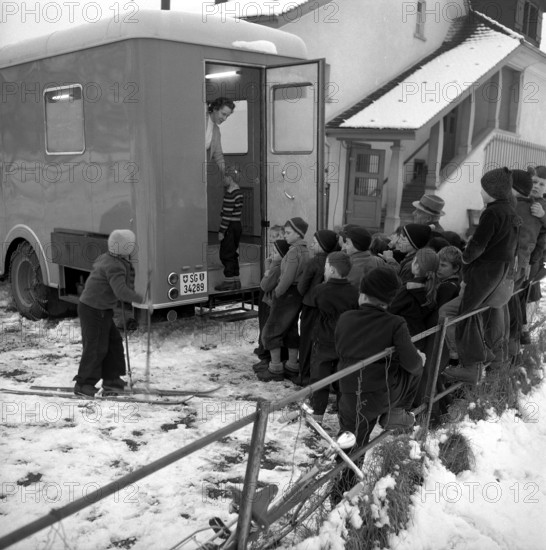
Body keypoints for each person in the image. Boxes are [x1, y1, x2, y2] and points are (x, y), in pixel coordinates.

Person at [333, 267, 423, 497]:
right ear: (390, 299)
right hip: (382, 394)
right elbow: (412, 364)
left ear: (362, 293)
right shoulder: (395, 323)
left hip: (349, 391)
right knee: (416, 366)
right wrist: (419, 358)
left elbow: (339, 348)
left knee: (351, 442)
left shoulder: (345, 318)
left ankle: (340, 492)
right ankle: (398, 411)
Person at [444, 168, 520, 384]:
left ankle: (472, 367)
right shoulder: (511, 212)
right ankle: (483, 355)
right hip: (501, 270)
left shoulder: (492, 212)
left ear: (492, 190)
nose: (480, 192)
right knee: (473, 312)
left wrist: (465, 257)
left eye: (483, 188)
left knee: (465, 313)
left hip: (485, 270)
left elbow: (478, 244)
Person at [73, 230, 144, 396]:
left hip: (101, 309)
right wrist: (142, 299)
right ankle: (83, 385)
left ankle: (112, 380)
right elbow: (120, 291)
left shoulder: (110, 258)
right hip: (93, 309)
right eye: (131, 244)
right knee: (96, 347)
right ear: (124, 247)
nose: (133, 247)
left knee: (113, 342)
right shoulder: (114, 265)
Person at [307, 252, 359, 423]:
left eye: (325, 268)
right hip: (346, 341)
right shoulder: (354, 292)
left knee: (319, 378)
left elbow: (311, 302)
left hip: (323, 341)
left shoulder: (321, 290)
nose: (324, 271)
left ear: (332, 269)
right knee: (343, 380)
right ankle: (343, 417)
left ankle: (317, 415)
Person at [258, 217, 309, 382]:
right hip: (297, 295)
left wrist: (278, 292)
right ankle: (292, 365)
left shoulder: (293, 251)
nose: (285, 236)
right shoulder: (306, 250)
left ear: (298, 234)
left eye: (288, 233)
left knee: (271, 331)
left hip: (286, 294)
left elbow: (287, 277)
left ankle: (275, 368)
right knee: (291, 330)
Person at [297, 229, 340, 386]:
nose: (311, 245)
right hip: (326, 307)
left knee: (306, 341)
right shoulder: (334, 261)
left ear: (322, 246)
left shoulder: (314, 262)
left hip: (310, 306)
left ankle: (304, 375)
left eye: (314, 242)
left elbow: (302, 287)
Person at [387, 247, 439, 347]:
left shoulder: (407, 290)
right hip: (418, 337)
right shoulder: (431, 290)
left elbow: (390, 310)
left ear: (416, 265)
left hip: (401, 338)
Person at [253, 225, 286, 367]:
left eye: (276, 237)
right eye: (271, 237)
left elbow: (269, 277)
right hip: (267, 292)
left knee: (267, 322)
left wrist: (268, 270)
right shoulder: (275, 254)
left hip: (270, 294)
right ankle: (262, 345)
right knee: (263, 320)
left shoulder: (281, 255)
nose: (272, 240)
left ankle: (267, 352)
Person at [215, 166, 244, 291]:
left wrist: (222, 231)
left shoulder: (230, 194)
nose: (224, 179)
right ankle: (236, 280)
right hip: (237, 225)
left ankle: (228, 281)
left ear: (230, 178)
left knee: (226, 254)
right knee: (233, 253)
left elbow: (226, 215)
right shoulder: (239, 192)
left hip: (229, 227)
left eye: (225, 177)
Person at [206, 97, 235, 177]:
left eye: (227, 116)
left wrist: (226, 174)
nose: (225, 119)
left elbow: (218, 156)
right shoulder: (200, 119)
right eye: (223, 114)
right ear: (215, 109)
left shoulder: (216, 131)